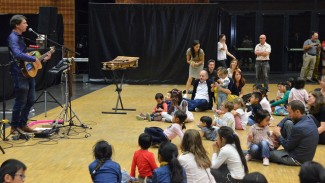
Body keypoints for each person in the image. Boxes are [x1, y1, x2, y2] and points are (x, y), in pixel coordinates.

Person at [8, 15, 51, 133]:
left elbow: (25, 54)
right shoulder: (13, 38)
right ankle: (14, 127)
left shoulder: (20, 37)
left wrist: (42, 58)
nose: (27, 25)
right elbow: (17, 54)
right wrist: (33, 59)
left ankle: (23, 124)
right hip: (19, 73)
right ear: (17, 25)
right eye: (24, 23)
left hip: (28, 73)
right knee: (20, 101)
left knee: (31, 100)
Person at [271, 100, 319, 166]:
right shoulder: (309, 117)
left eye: (290, 112)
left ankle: (270, 149)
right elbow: (287, 118)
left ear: (297, 112)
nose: (289, 115)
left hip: (297, 159)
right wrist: (279, 126)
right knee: (288, 122)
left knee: (265, 153)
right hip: (306, 156)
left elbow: (287, 147)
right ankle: (273, 146)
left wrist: (278, 135)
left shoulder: (298, 127)